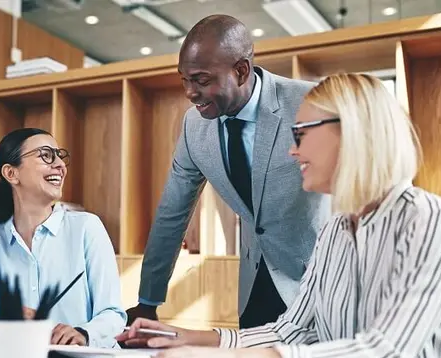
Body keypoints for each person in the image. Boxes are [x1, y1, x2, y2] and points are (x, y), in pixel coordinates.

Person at [118, 73, 441, 358]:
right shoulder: (335, 232)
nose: (292, 150)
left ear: (352, 131)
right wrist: (188, 338)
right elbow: (292, 330)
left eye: (301, 133)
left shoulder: (430, 220)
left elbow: (386, 353)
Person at [125, 14, 331, 328]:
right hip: (255, 286)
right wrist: (148, 301)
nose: (190, 92)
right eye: (184, 79)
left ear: (240, 70)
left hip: (321, 280)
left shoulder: (311, 102)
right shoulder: (194, 126)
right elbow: (173, 211)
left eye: (201, 80)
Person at [0, 128, 126, 348]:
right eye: (46, 155)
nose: (60, 165)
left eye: (60, 156)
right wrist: (6, 324)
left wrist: (83, 333)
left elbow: (113, 314)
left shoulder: (87, 227)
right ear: (11, 173)